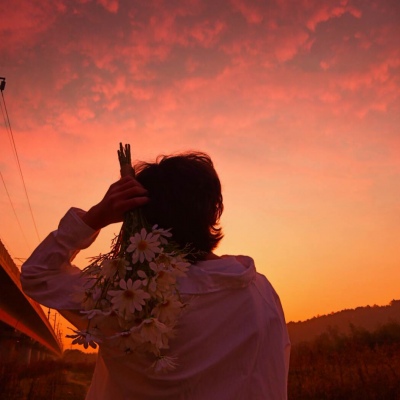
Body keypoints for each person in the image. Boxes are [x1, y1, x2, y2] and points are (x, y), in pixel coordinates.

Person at [21, 151, 290, 399]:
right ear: (215, 211)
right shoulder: (260, 293)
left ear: (138, 221)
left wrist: (96, 217)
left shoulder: (122, 301)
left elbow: (38, 274)